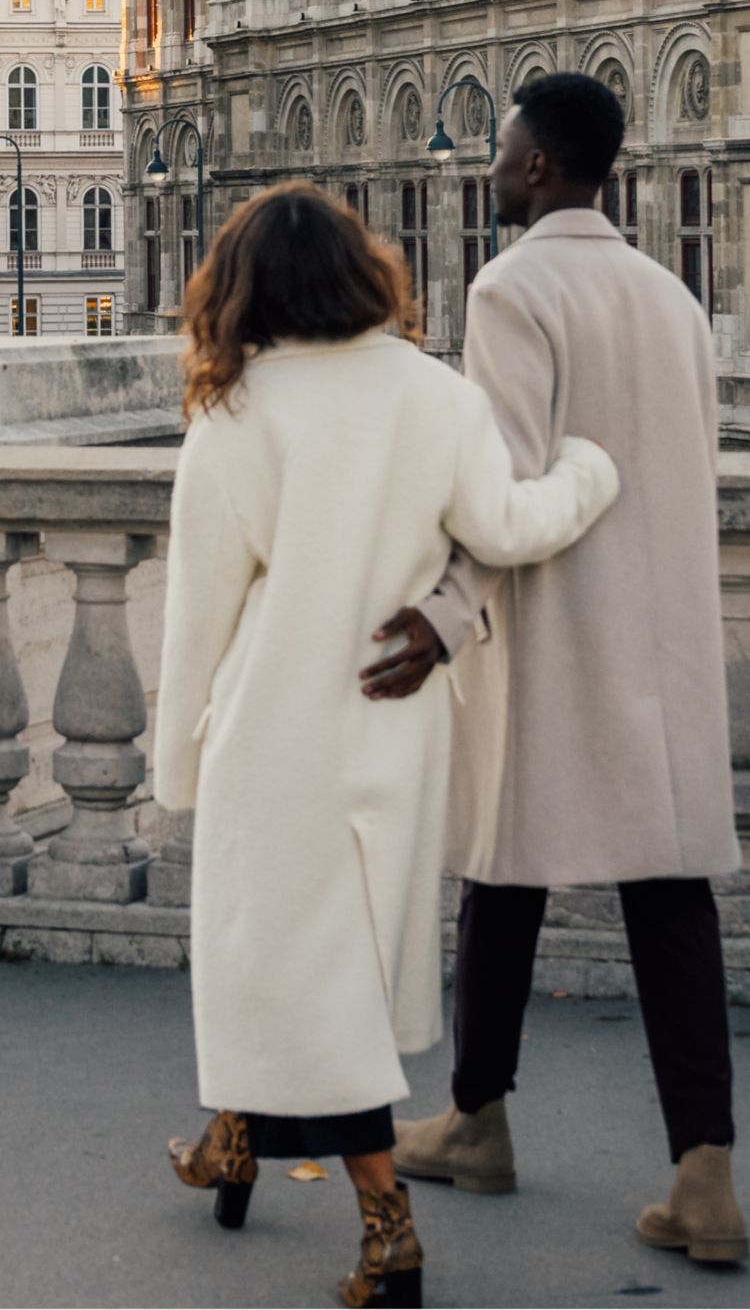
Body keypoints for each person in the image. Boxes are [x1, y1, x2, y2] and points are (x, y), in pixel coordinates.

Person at [154, 181, 618, 1308]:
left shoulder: (238, 414)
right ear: (366, 272)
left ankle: (388, 1231)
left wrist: (174, 765)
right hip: (393, 721)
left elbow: (198, 616)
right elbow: (506, 529)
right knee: (342, 965)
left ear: (241, 283)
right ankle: (230, 1139)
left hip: (275, 732)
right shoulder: (432, 393)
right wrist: (590, 473)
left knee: (278, 965)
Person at [362, 72, 747, 1268]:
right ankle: (707, 1179)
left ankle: (479, 1122)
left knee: (504, 878)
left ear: (538, 168)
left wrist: (442, 615)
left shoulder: (511, 285)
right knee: (669, 896)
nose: (486, 164)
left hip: (555, 636)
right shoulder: (671, 297)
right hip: (668, 640)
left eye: (499, 145)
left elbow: (509, 487)